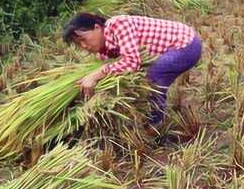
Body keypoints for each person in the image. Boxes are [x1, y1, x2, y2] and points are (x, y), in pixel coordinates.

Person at [62, 13, 202, 128]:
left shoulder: (118, 25)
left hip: (186, 45)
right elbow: (118, 69)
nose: (84, 46)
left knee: (153, 76)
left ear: (97, 27)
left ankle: (155, 125)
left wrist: (96, 75)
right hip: (173, 50)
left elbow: (131, 63)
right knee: (146, 77)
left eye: (84, 39)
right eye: (78, 44)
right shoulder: (103, 51)